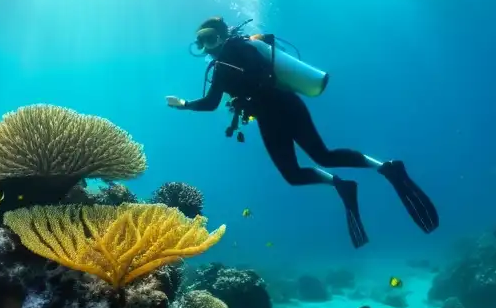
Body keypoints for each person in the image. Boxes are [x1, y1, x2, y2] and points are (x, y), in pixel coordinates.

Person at [166, 16, 439, 248]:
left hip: (279, 109)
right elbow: (214, 102)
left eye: (210, 38)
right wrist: (190, 104)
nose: (206, 46)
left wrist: (188, 104)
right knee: (308, 166)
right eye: (201, 41)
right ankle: (358, 178)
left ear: (223, 36)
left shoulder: (236, 53)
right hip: (280, 109)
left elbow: (248, 86)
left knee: (314, 162)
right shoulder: (224, 64)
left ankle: (381, 171)